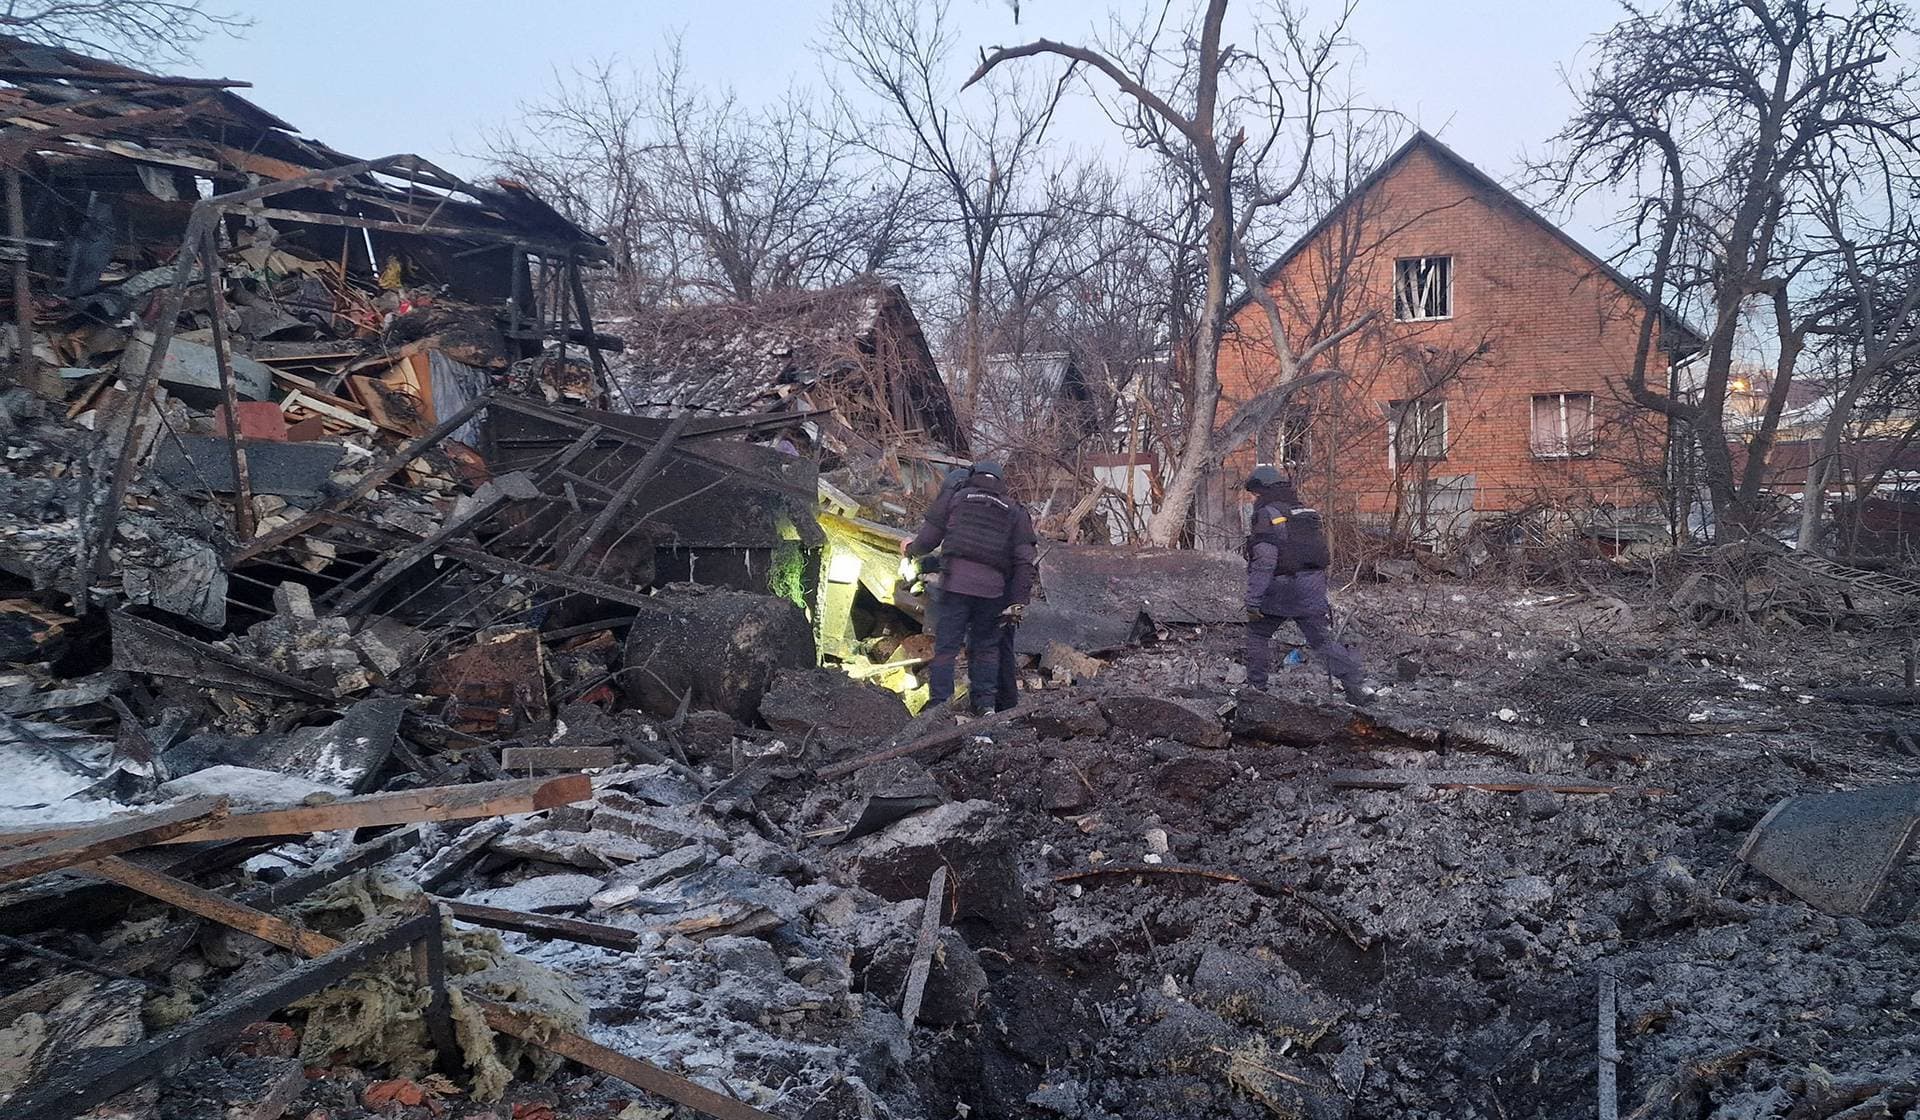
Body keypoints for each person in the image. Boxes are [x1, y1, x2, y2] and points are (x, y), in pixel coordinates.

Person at [905, 461, 1037, 714]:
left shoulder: (957, 498)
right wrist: (1018, 601)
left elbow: (929, 538)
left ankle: (939, 705)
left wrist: (912, 551)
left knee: (946, 647)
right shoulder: (1014, 511)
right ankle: (985, 705)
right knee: (986, 647)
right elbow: (1024, 560)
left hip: (956, 584)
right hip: (992, 591)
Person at [1242, 464, 1376, 705]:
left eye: (1255, 494)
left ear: (1261, 490)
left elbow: (1265, 560)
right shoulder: (1304, 511)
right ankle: (1356, 684)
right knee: (1321, 641)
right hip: (1313, 586)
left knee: (1258, 633)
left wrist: (1253, 600)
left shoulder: (1267, 513)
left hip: (1283, 588)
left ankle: (1256, 689)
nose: (1254, 499)